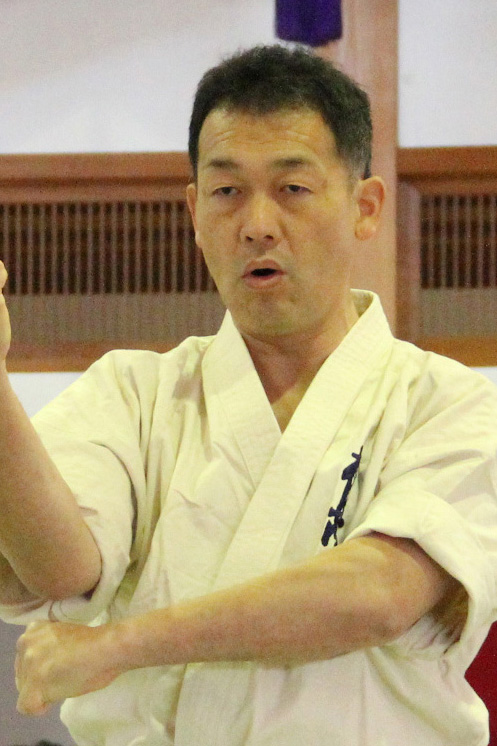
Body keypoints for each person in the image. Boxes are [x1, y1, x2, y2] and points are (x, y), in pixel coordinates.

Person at [1, 44, 496, 746]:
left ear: (365, 207)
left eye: (292, 188)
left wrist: (120, 644)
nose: (257, 224)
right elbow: (61, 570)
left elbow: (378, 594)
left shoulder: (448, 405)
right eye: (227, 191)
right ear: (194, 211)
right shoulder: (134, 393)